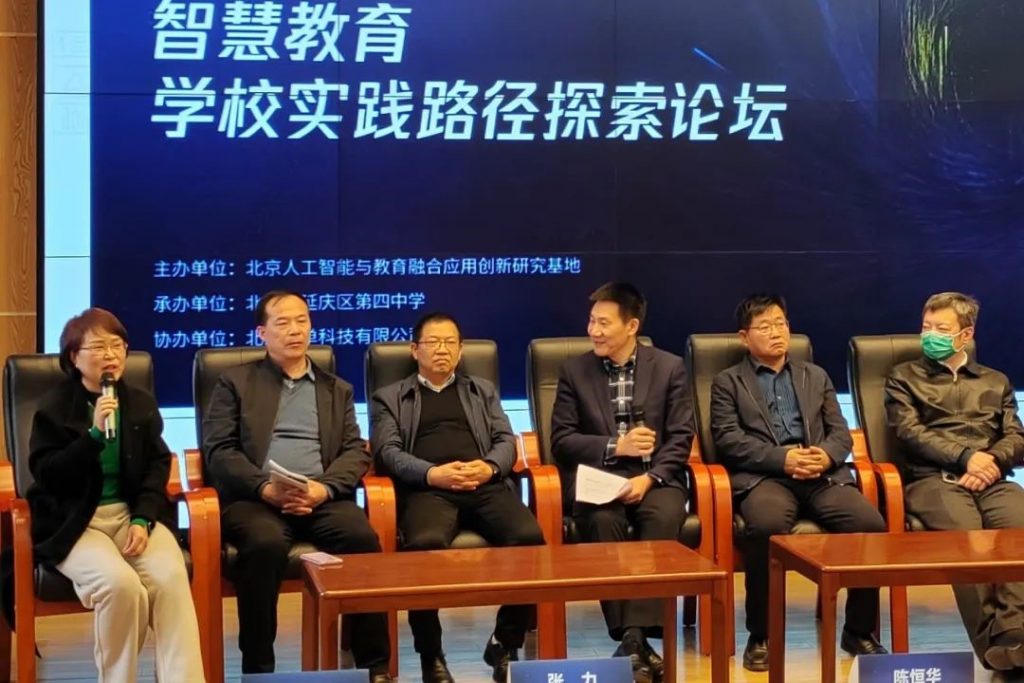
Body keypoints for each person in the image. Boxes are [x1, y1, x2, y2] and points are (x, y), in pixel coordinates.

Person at [203, 290, 392, 680]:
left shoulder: (336, 388)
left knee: (361, 538)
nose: (295, 330)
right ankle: (259, 669)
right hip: (256, 500)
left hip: (320, 496)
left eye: (302, 321)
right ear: (262, 333)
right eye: (283, 322)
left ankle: (375, 667)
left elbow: (355, 451)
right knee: (264, 544)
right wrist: (265, 488)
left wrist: (323, 489)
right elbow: (219, 451)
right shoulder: (234, 382)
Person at [710, 293, 887, 672]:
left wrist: (825, 455)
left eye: (781, 324)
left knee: (870, 525)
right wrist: (783, 459)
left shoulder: (814, 375)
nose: (776, 332)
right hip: (766, 477)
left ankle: (858, 631)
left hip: (821, 475)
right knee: (766, 528)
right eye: (765, 326)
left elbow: (840, 433)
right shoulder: (728, 382)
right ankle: (762, 635)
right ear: (744, 337)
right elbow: (729, 440)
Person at [26, 308, 204, 681]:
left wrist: (143, 518)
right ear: (74, 357)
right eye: (98, 347)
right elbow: (48, 476)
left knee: (171, 578)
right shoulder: (53, 409)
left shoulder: (139, 403)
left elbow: (158, 465)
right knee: (121, 587)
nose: (111, 355)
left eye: (117, 345)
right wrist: (93, 436)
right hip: (75, 523)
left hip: (130, 516)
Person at [371, 312, 545, 683]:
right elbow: (387, 452)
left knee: (530, 538)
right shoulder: (390, 397)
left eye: (450, 342)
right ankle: (431, 655)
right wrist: (432, 473)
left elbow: (505, 440)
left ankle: (504, 642)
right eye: (433, 342)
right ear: (414, 349)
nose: (442, 350)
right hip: (429, 489)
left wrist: (489, 467)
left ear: (461, 350)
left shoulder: (481, 390)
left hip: (483, 485)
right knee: (424, 545)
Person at [550, 282, 693, 683]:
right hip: (600, 480)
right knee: (600, 520)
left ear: (631, 326)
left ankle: (632, 639)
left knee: (661, 518)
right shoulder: (574, 371)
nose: (593, 331)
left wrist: (650, 478)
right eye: (591, 321)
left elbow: (681, 436)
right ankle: (636, 641)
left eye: (603, 323)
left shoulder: (669, 368)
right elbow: (561, 441)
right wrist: (616, 446)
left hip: (655, 478)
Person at [886, 291, 1024, 671]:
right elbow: (910, 433)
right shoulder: (903, 378)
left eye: (941, 329)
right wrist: (967, 458)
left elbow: (1016, 436)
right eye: (926, 327)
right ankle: (994, 649)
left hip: (991, 478)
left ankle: (1014, 638)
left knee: (1019, 532)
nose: (930, 335)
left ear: (966, 335)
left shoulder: (995, 381)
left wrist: (991, 460)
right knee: (969, 541)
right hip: (934, 480)